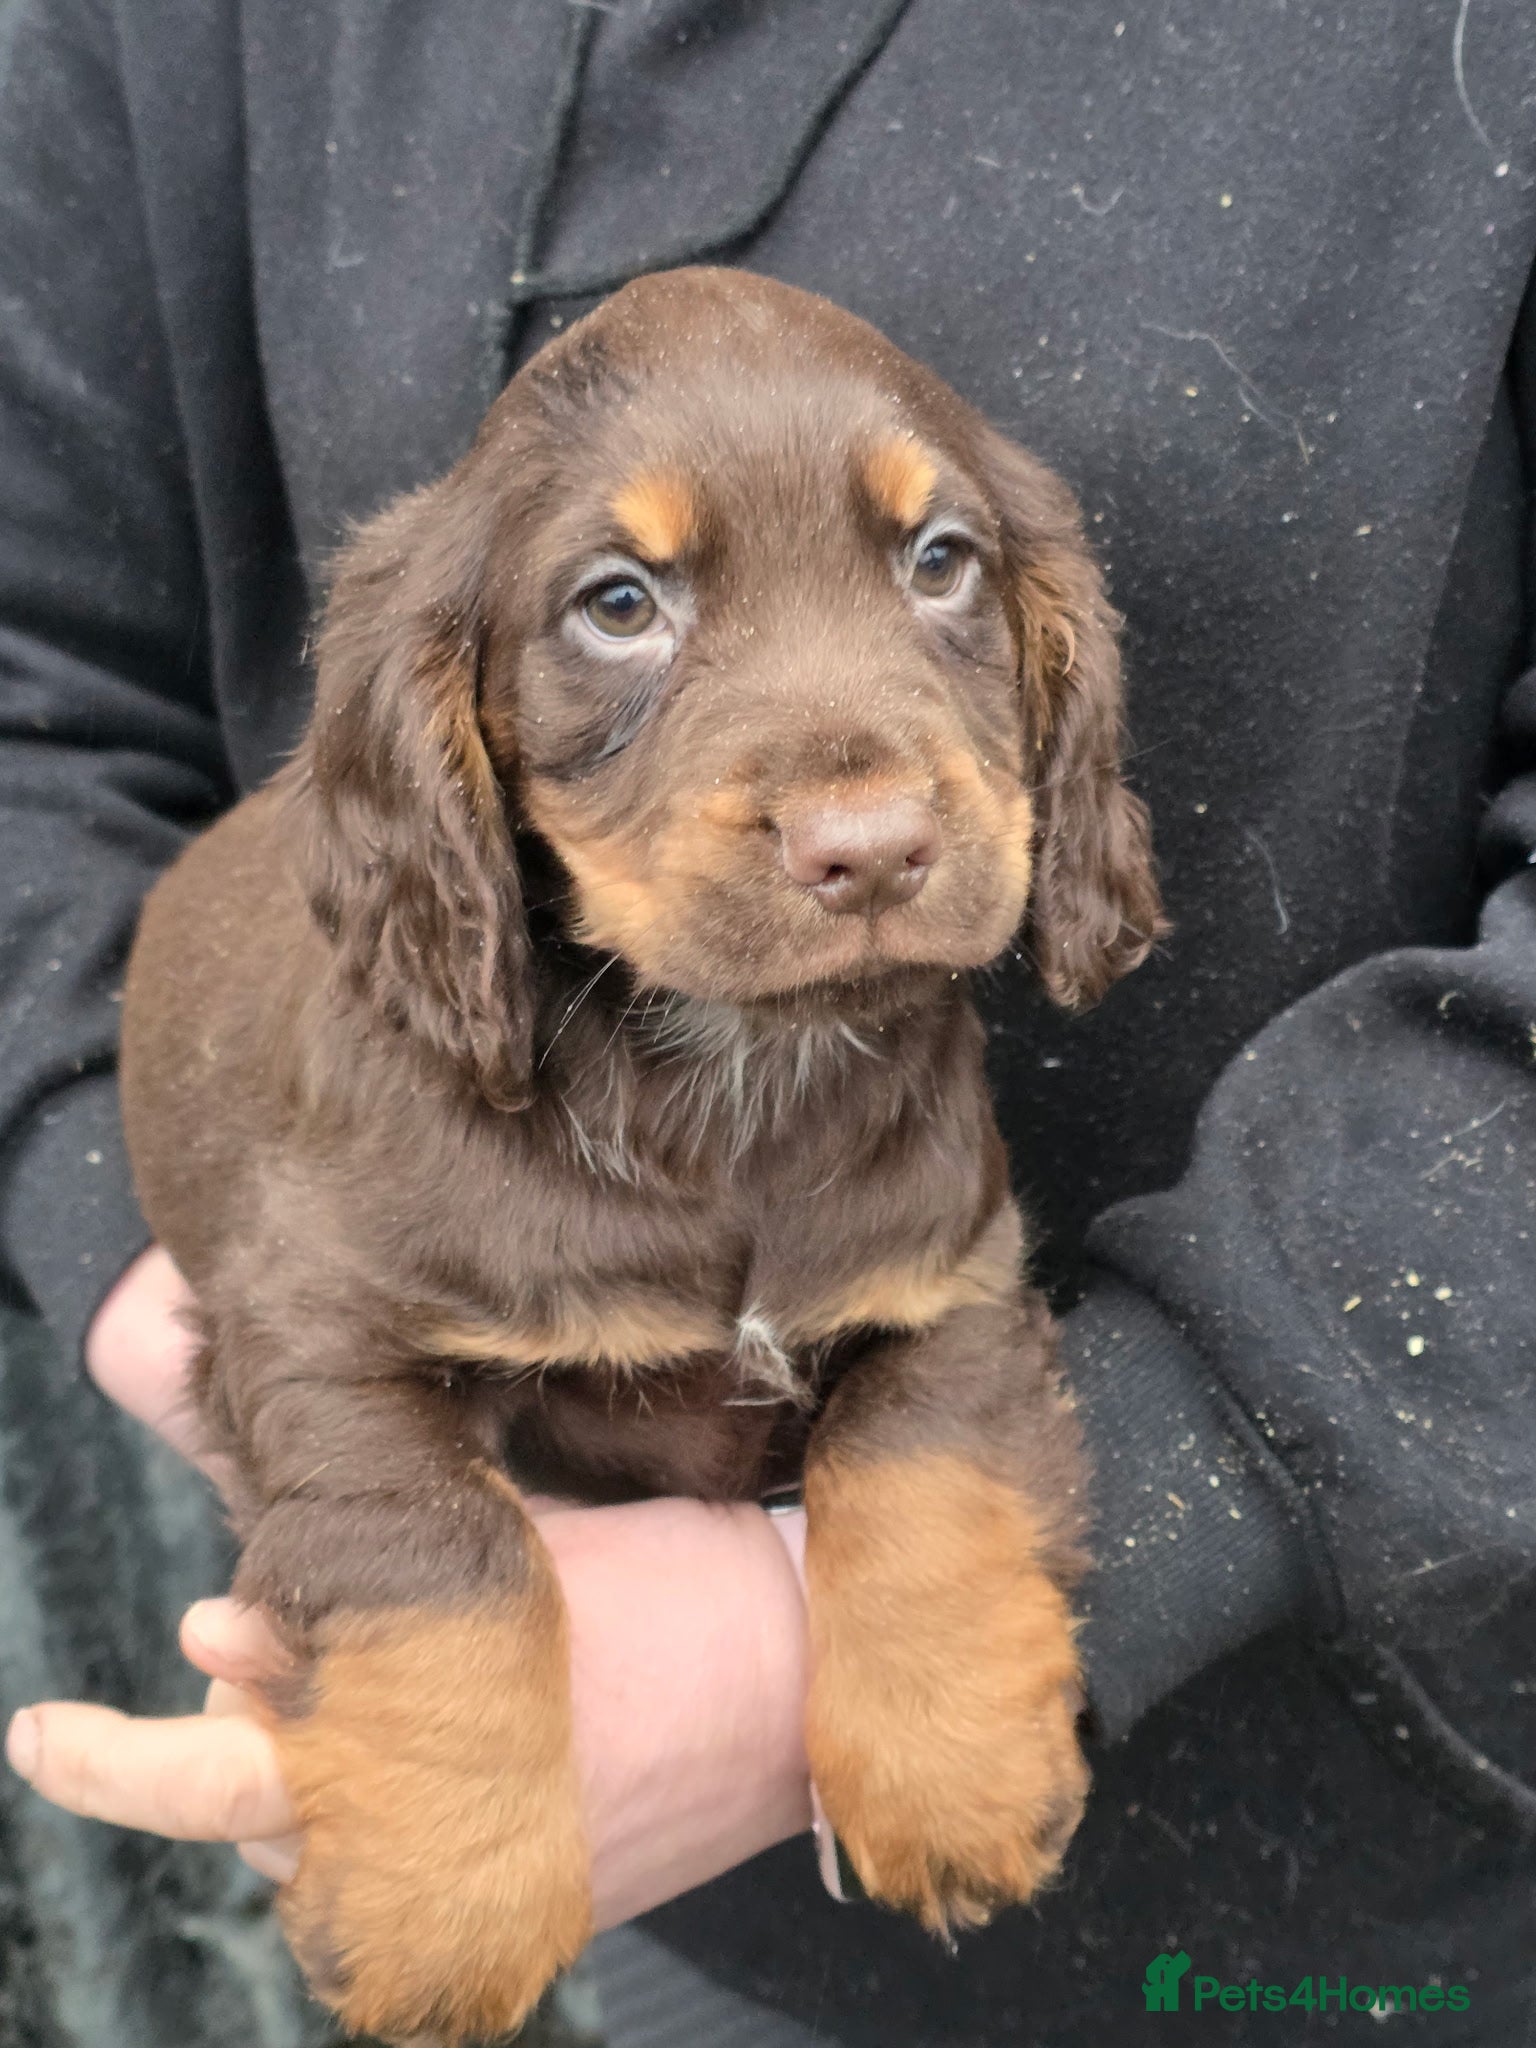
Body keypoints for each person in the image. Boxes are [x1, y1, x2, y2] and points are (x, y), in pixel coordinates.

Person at [2, 0, 1535, 2040]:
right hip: (666, 1885)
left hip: (1382, 1846)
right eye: (618, 603)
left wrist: (815, 1625)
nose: (859, 813)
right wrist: (130, 1216)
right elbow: (29, 680)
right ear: (448, 730)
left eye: (938, 561)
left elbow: (945, 1322)